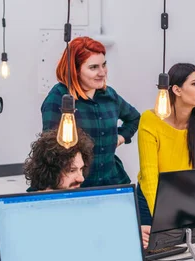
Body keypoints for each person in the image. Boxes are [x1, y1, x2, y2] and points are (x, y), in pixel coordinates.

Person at [24, 130, 151, 249]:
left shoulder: (75, 204)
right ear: (50, 172)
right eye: (71, 170)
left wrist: (131, 232)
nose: (81, 178)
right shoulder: (30, 214)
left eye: (81, 169)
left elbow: (96, 232)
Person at [41, 36, 140, 188]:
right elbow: (51, 150)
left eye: (104, 65)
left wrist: (119, 138)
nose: (102, 73)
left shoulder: (109, 95)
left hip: (112, 181)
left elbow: (134, 118)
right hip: (78, 186)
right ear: (75, 70)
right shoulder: (58, 98)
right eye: (93, 67)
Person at [137, 63, 195, 226]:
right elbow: (149, 176)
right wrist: (163, 218)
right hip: (152, 197)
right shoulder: (150, 119)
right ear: (176, 90)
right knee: (158, 250)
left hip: (185, 200)